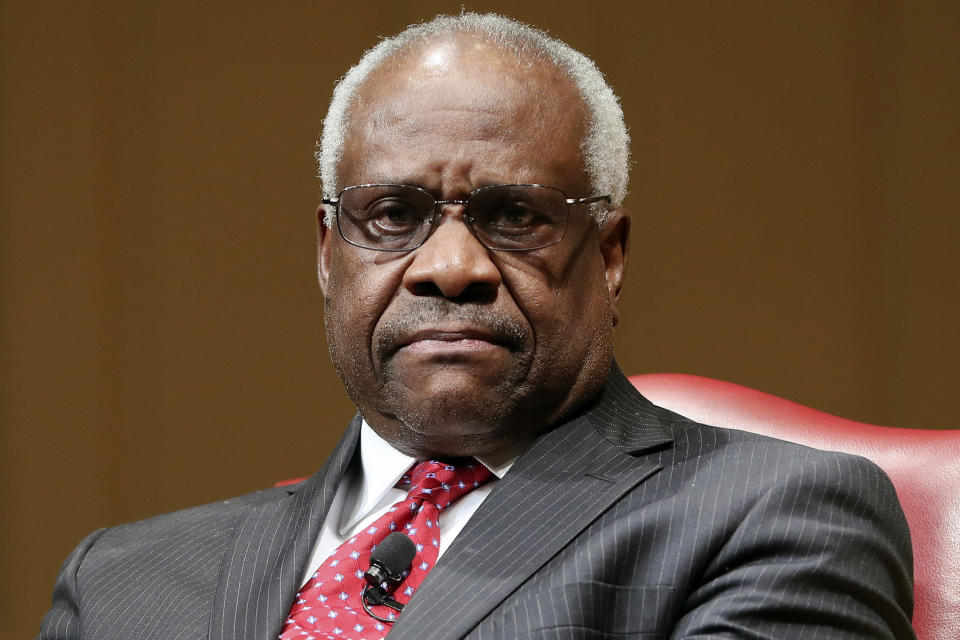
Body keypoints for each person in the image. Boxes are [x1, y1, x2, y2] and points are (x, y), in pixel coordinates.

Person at [39, 13, 915, 640]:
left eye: (515, 215)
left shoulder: (775, 516)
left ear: (607, 255)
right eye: (391, 214)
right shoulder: (121, 581)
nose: (449, 266)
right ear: (327, 252)